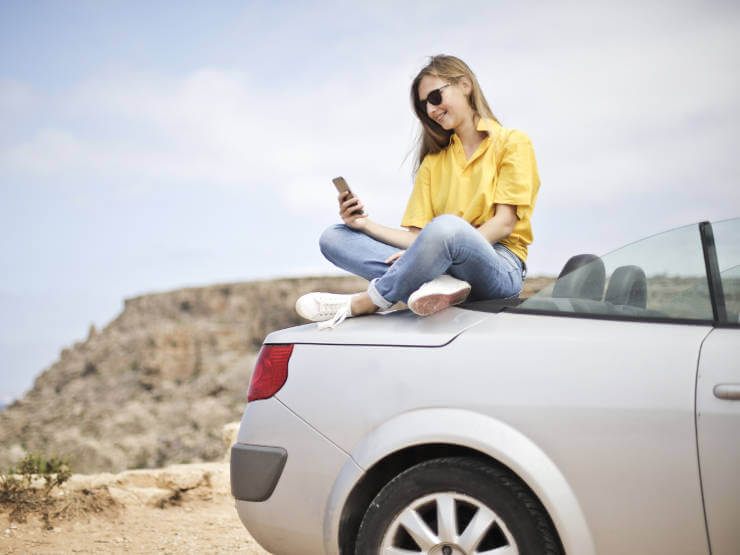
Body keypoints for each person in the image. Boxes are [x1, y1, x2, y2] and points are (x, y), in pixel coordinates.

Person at [296, 55, 540, 329]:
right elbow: (417, 238)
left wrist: (435, 251)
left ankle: (368, 301)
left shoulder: (512, 142)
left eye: (435, 97)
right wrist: (364, 225)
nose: (431, 109)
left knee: (447, 228)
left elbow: (504, 223)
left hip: (498, 264)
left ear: (464, 85)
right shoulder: (433, 163)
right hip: (440, 261)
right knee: (333, 237)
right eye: (424, 106)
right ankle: (435, 282)